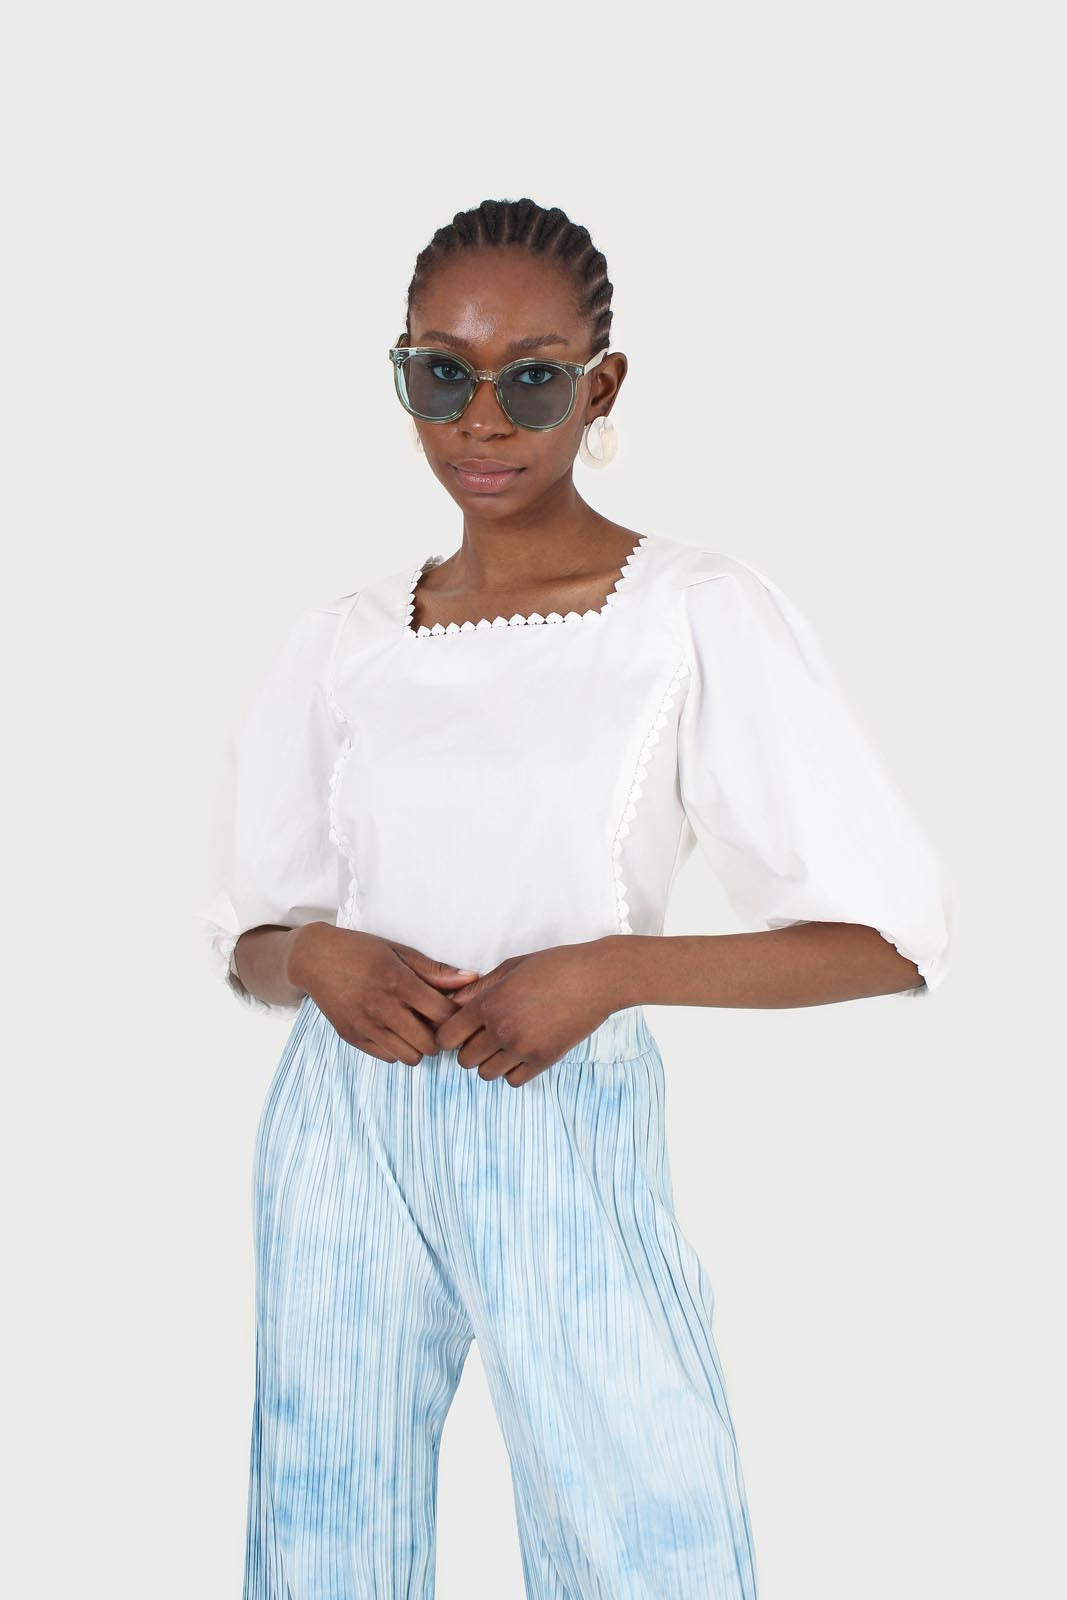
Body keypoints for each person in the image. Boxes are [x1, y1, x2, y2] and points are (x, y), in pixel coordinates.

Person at [196, 196, 952, 1600]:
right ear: (401, 374)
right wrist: (311, 957)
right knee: (319, 1532)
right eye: (441, 373)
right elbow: (251, 935)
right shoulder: (345, 638)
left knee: (643, 1534)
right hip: (339, 1125)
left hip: (557, 1107)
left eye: (532, 378)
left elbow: (890, 941)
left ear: (601, 388)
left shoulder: (689, 613)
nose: (481, 420)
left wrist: (609, 972)